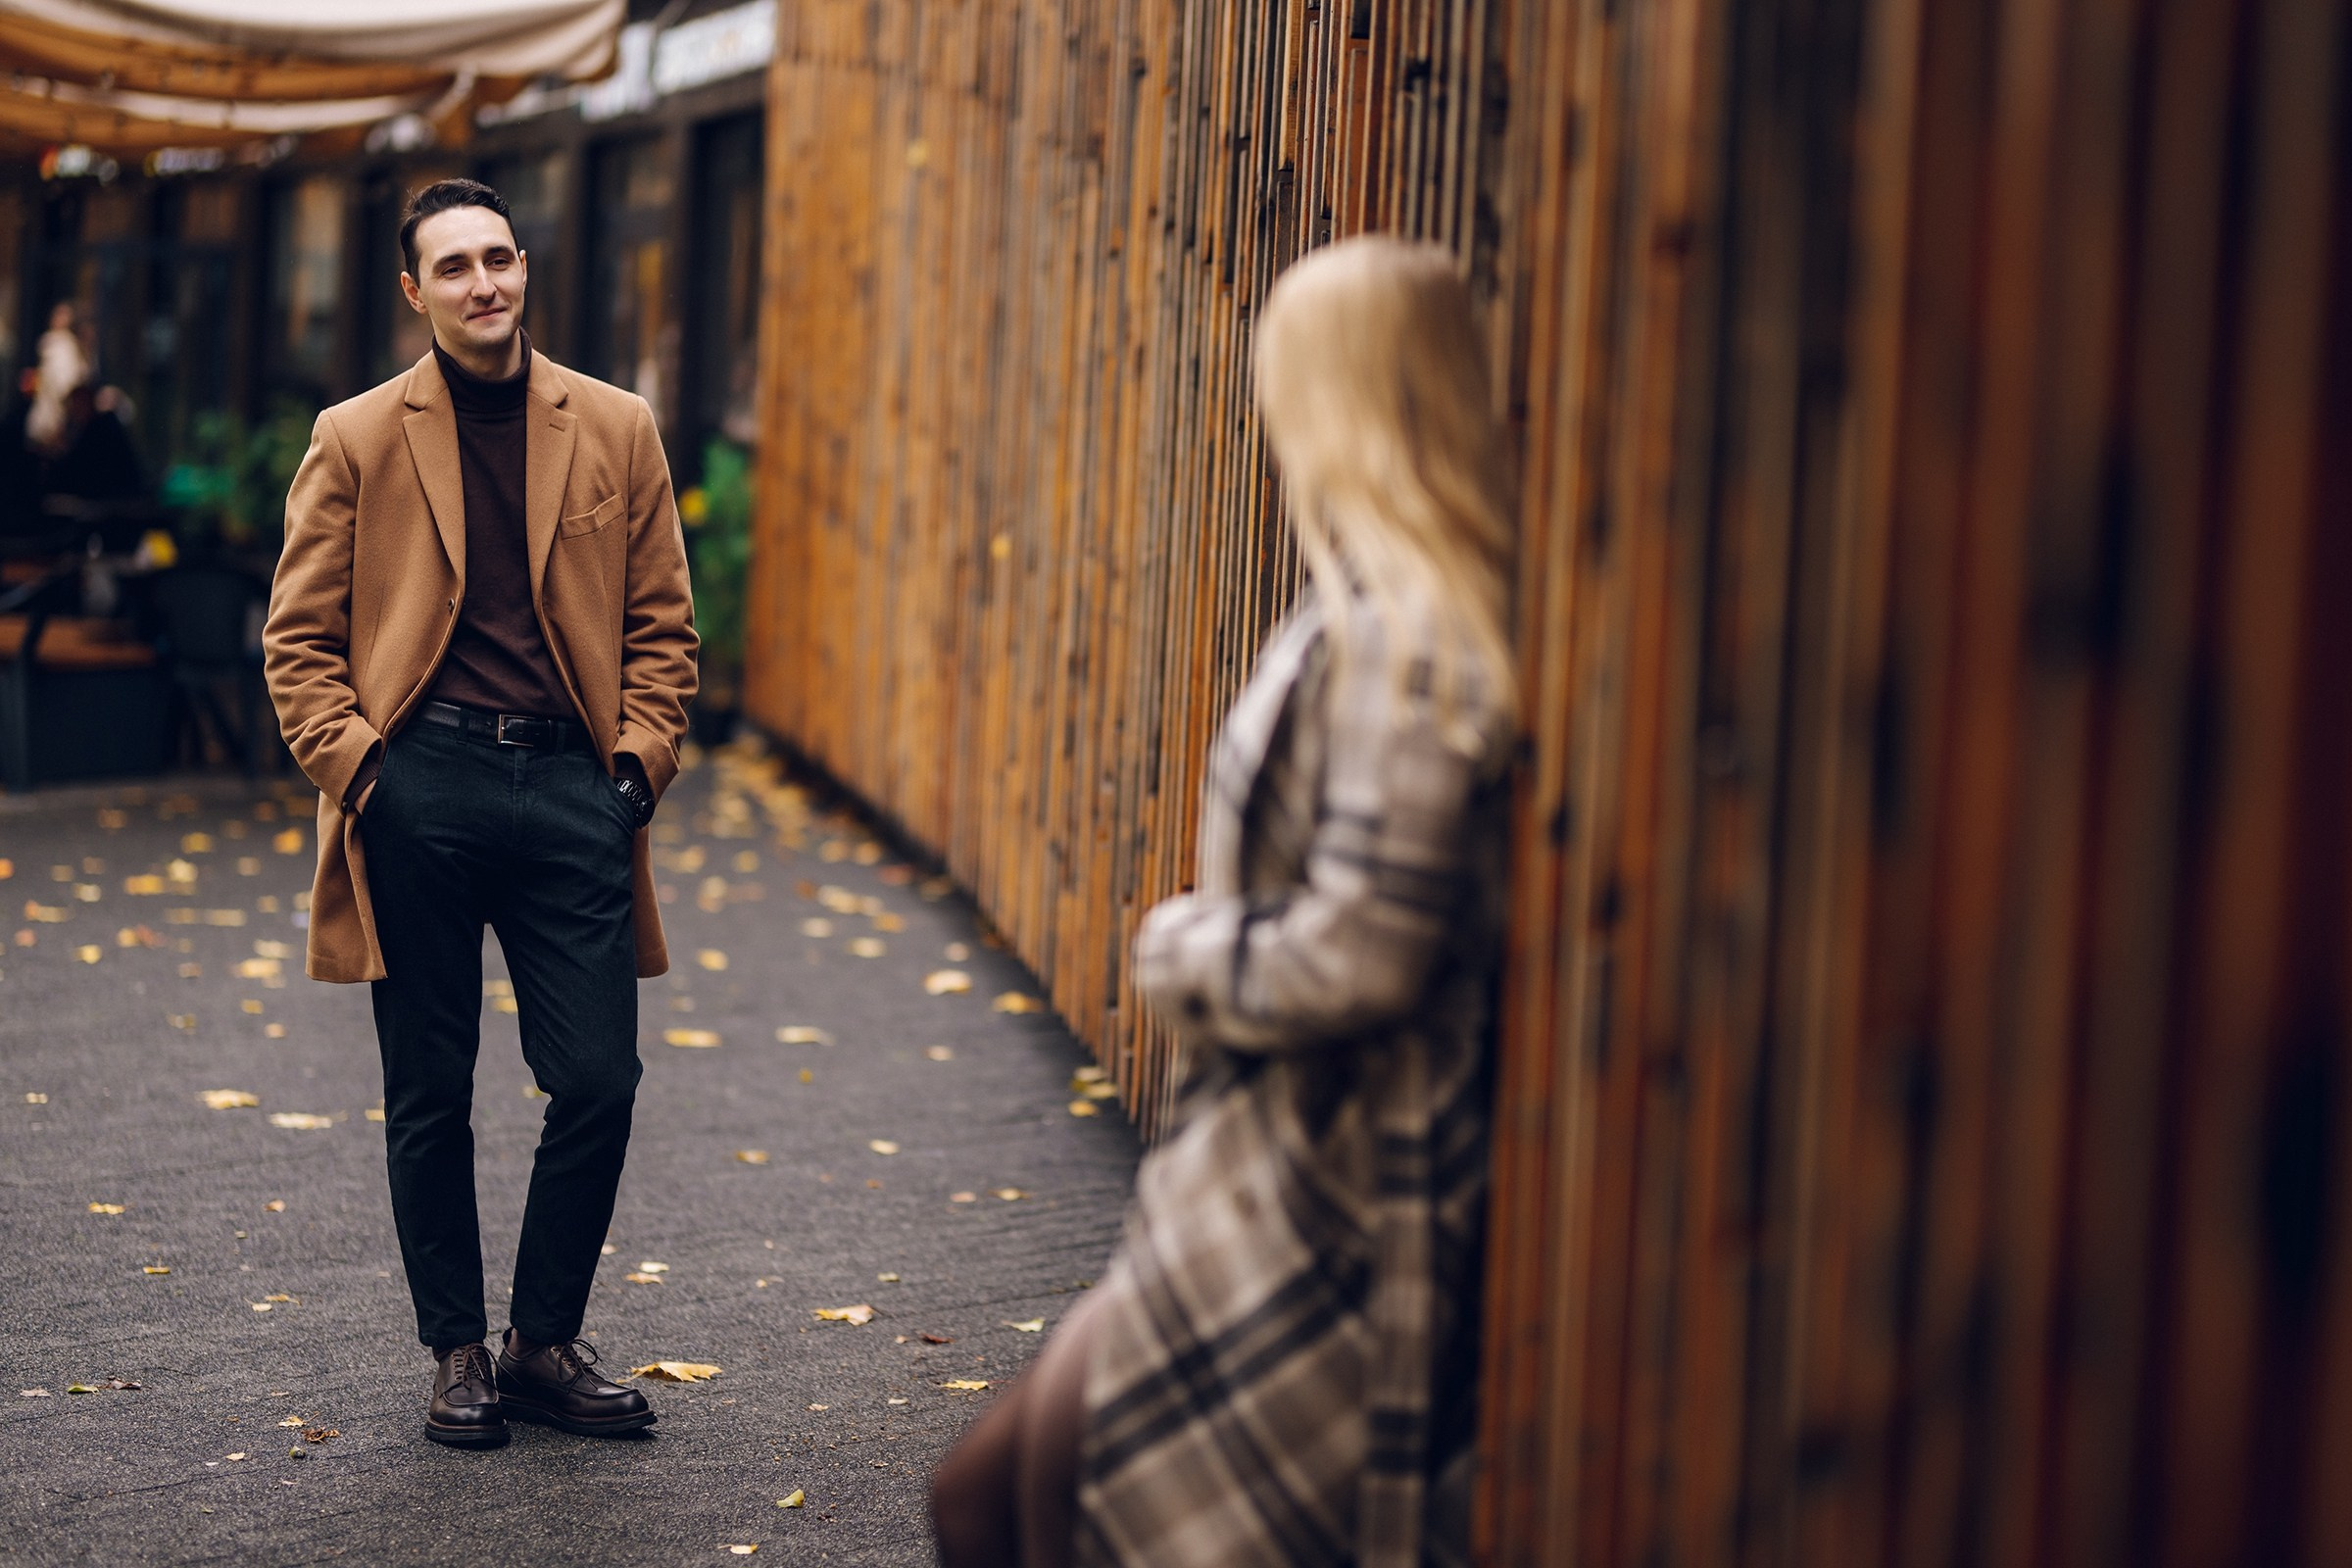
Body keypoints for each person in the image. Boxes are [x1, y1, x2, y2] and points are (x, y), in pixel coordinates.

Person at [931, 236, 1519, 1567]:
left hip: (1325, 1181)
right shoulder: (1390, 612)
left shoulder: (1400, 636)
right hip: (1264, 1170)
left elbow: (1368, 951)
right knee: (1004, 1493)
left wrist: (1183, 947)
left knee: (1022, 1499)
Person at [263, 178, 698, 1449]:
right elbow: (297, 643)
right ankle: (457, 1350)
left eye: (498, 258)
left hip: (575, 789)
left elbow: (664, 625)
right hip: (422, 791)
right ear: (414, 292)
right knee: (429, 1090)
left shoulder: (615, 428)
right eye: (453, 268)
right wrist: (367, 775)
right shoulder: (356, 437)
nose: (484, 284)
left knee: (599, 1077)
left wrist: (636, 767)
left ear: (525, 267)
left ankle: (543, 1343)